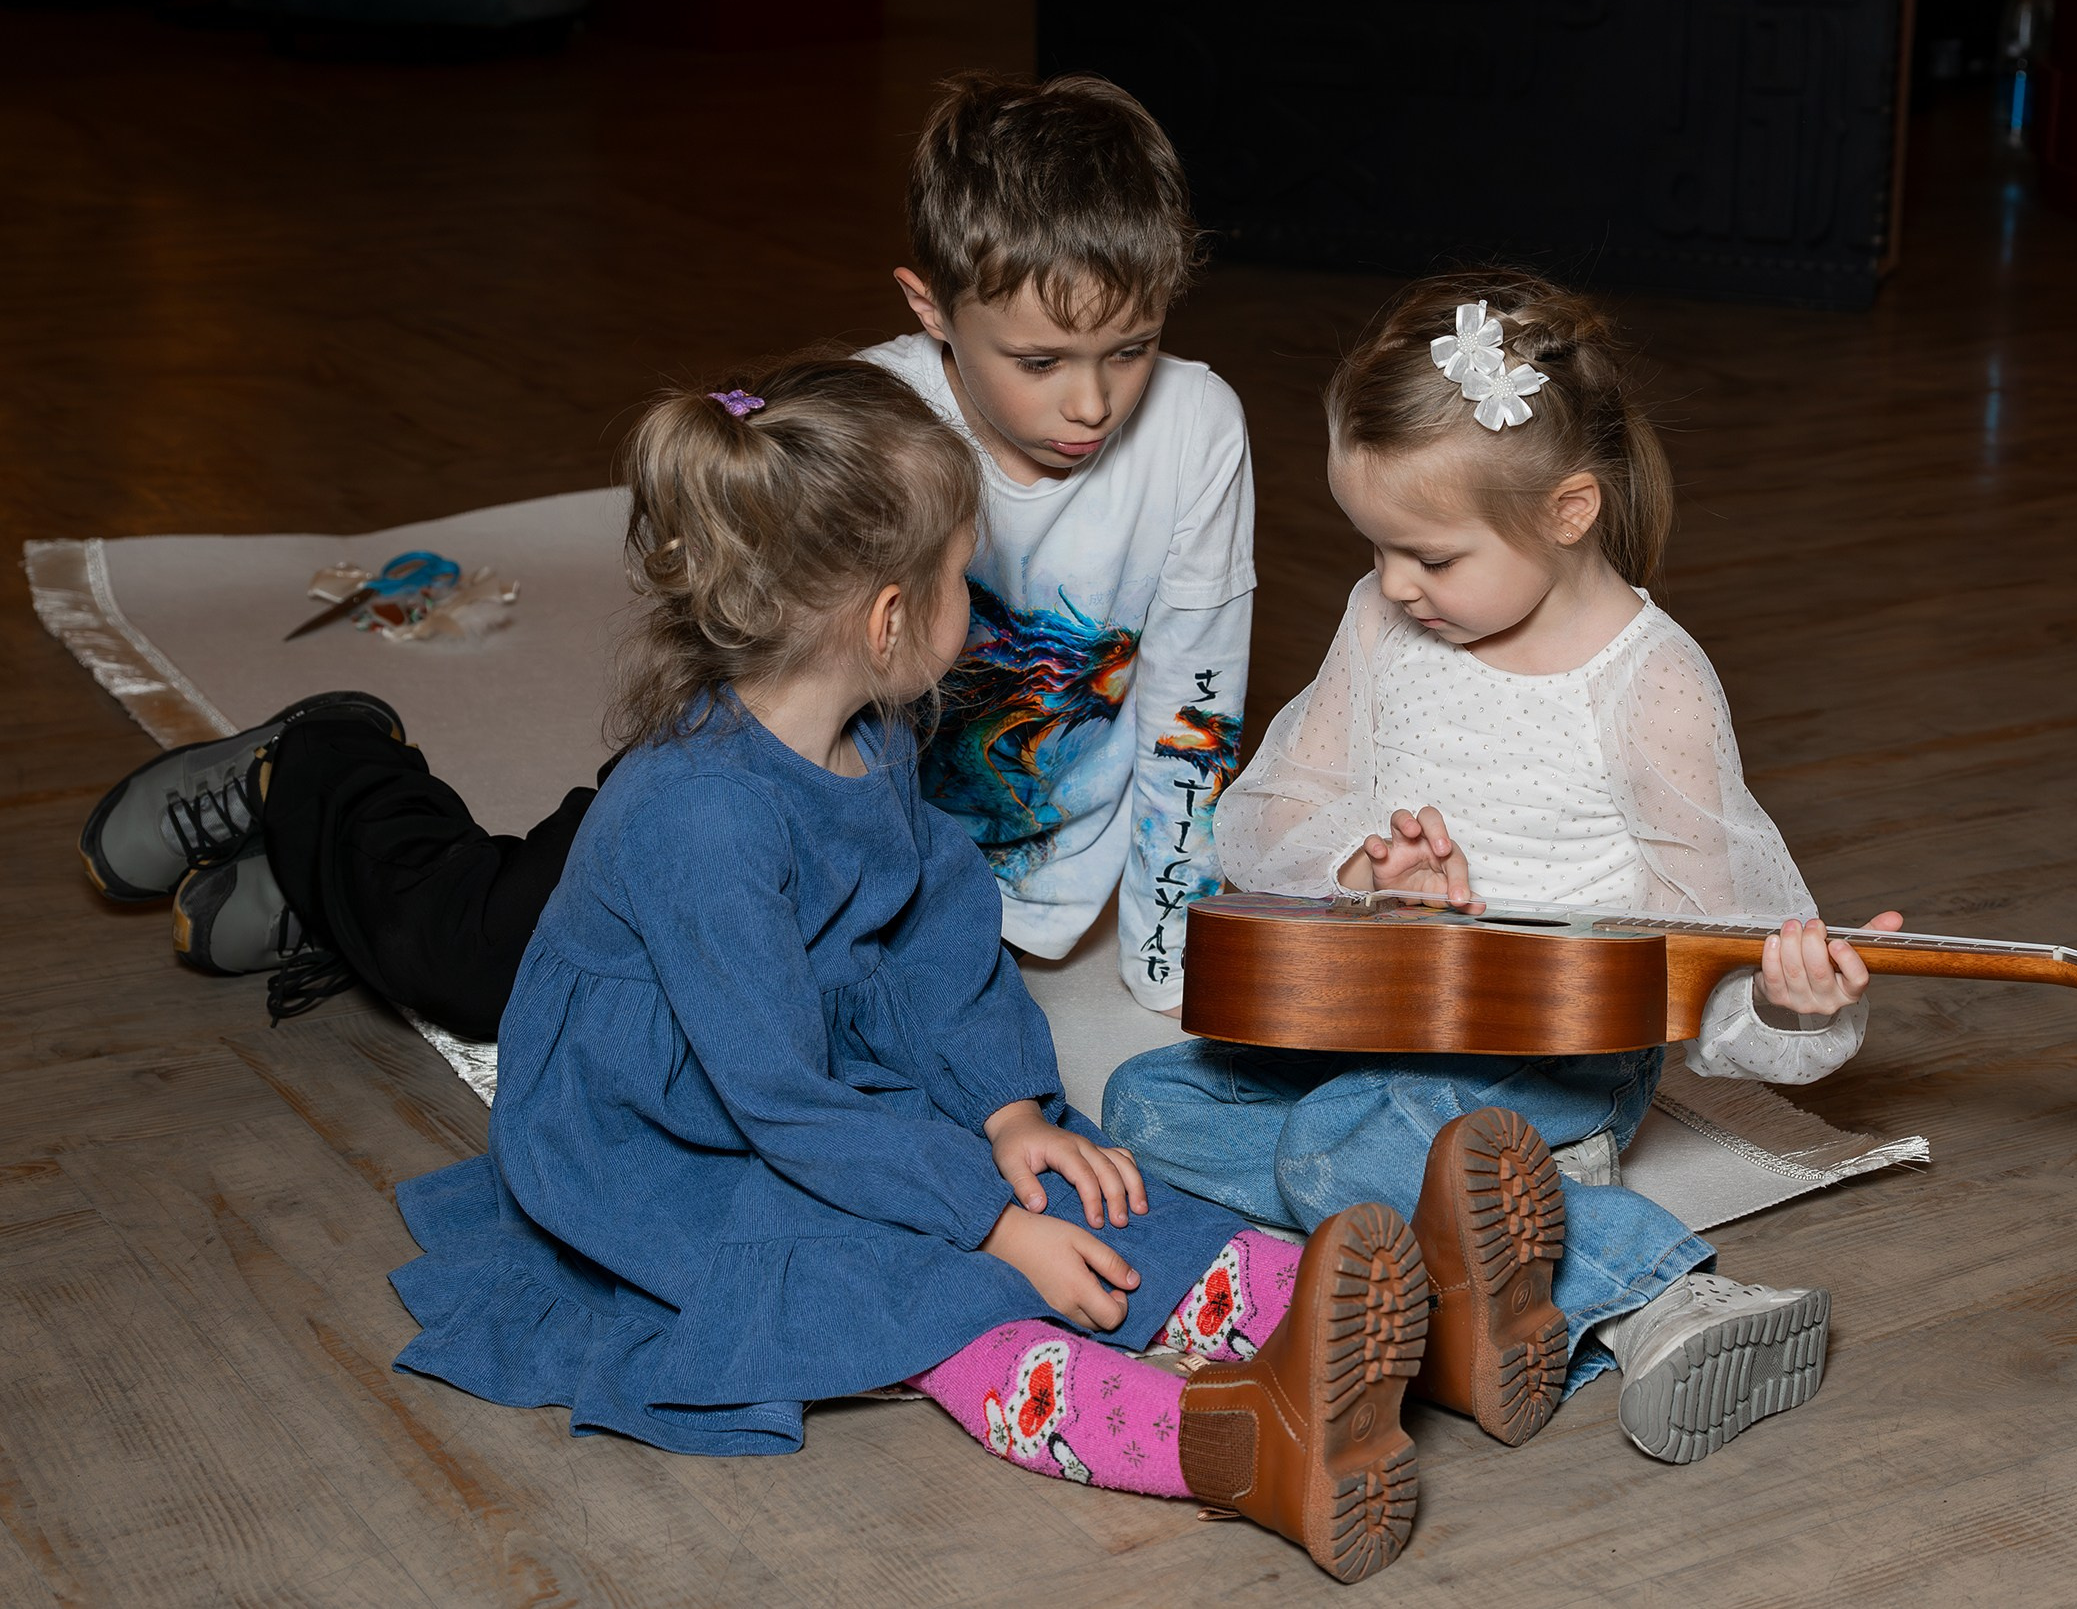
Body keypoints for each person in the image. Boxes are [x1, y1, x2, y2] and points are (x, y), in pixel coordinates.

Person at [378, 357, 1439, 1583]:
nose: (977, 617)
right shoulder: (697, 818)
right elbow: (774, 1097)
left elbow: (940, 929)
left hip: (817, 1077)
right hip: (675, 1132)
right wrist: (989, 1221)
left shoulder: (873, 731)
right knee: (915, 1288)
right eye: (961, 585)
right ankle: (1240, 1445)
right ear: (889, 618)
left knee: (1087, 1190)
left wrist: (1004, 1109)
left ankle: (1384, 1325)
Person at [75, 70, 1252, 1030]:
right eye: (1039, 361)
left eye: (1130, 348)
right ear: (931, 306)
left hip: (932, 874)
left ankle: (329, 884)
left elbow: (1191, 706)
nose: (1090, 403)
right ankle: (323, 766)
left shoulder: (1197, 426)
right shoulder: (877, 421)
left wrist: (1167, 959)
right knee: (489, 973)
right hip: (761, 792)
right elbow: (753, 690)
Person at [1103, 269, 1904, 1465]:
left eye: (1428, 554)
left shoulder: (1651, 683)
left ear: (1569, 510)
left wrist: (1787, 998)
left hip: (1554, 1050)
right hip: (1379, 1011)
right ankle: (1483, 1248)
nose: (1393, 583)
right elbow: (1268, 813)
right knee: (1146, 1102)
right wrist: (1362, 869)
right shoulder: (1385, 620)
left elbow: (1713, 927)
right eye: (1375, 546)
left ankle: (1662, 1293)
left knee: (1334, 1137)